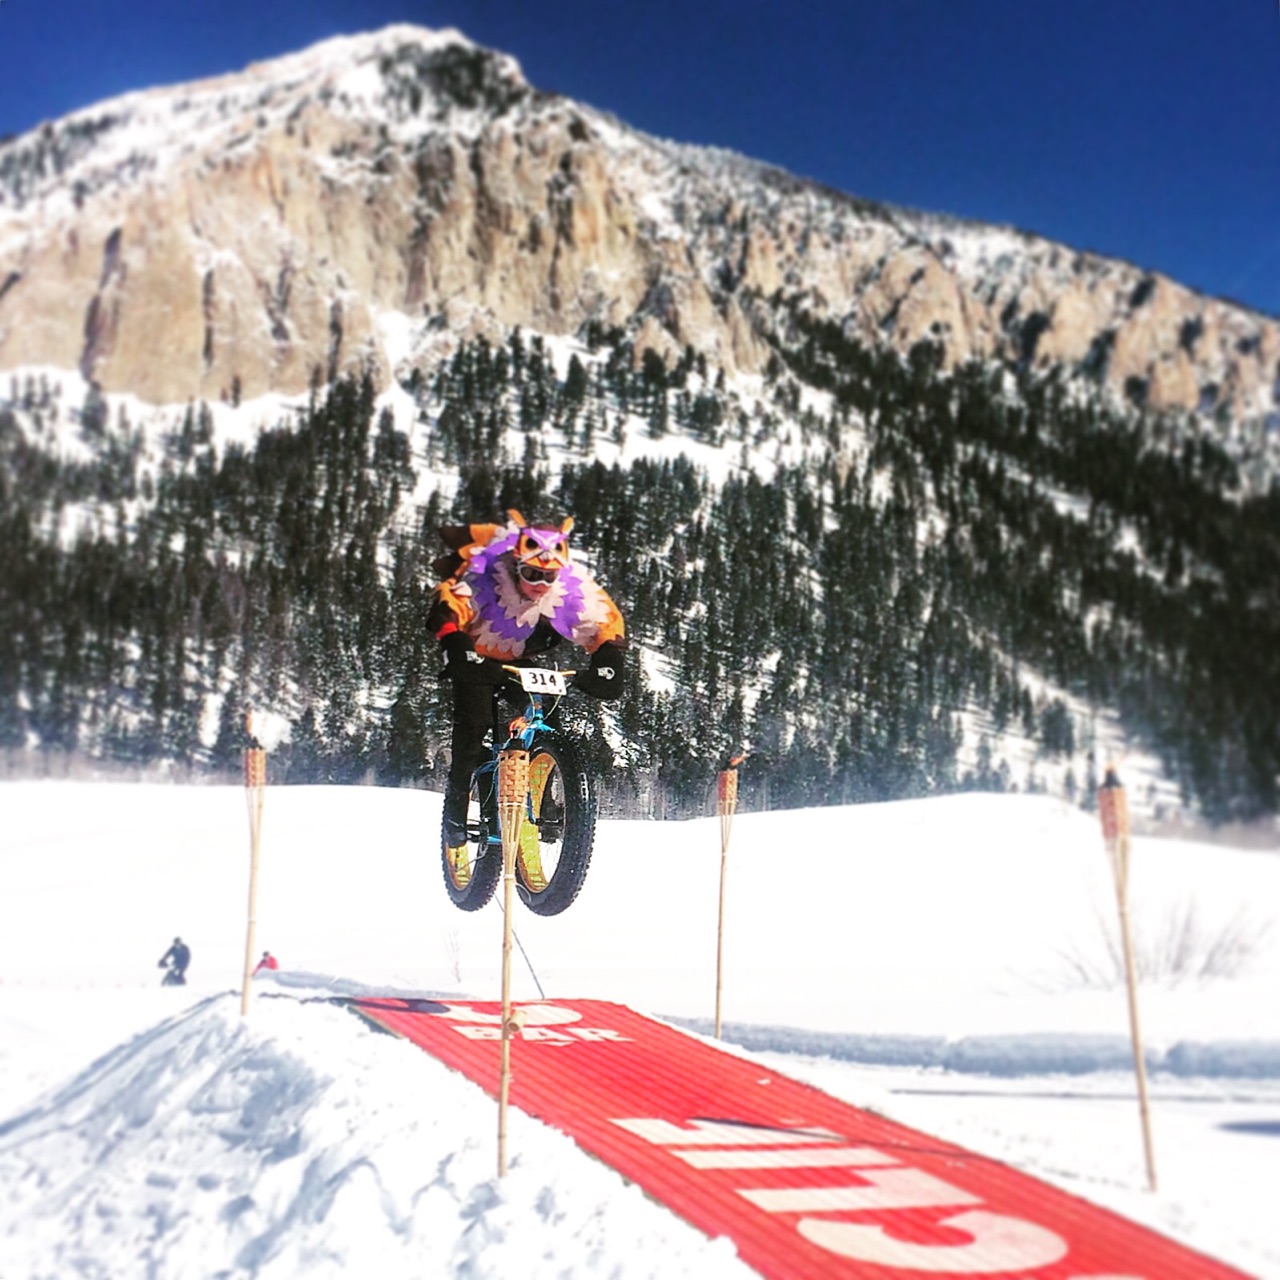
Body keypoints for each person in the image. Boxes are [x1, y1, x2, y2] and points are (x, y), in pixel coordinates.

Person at [427, 509, 626, 850]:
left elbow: (602, 619)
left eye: (548, 577)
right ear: (516, 565)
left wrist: (608, 657)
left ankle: (544, 794)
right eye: (532, 574)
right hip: (475, 652)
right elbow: (449, 605)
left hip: (519, 659)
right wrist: (453, 642)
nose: (540, 584)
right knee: (473, 728)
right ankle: (456, 814)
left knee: (546, 717)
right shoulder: (485, 573)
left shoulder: (569, 585)